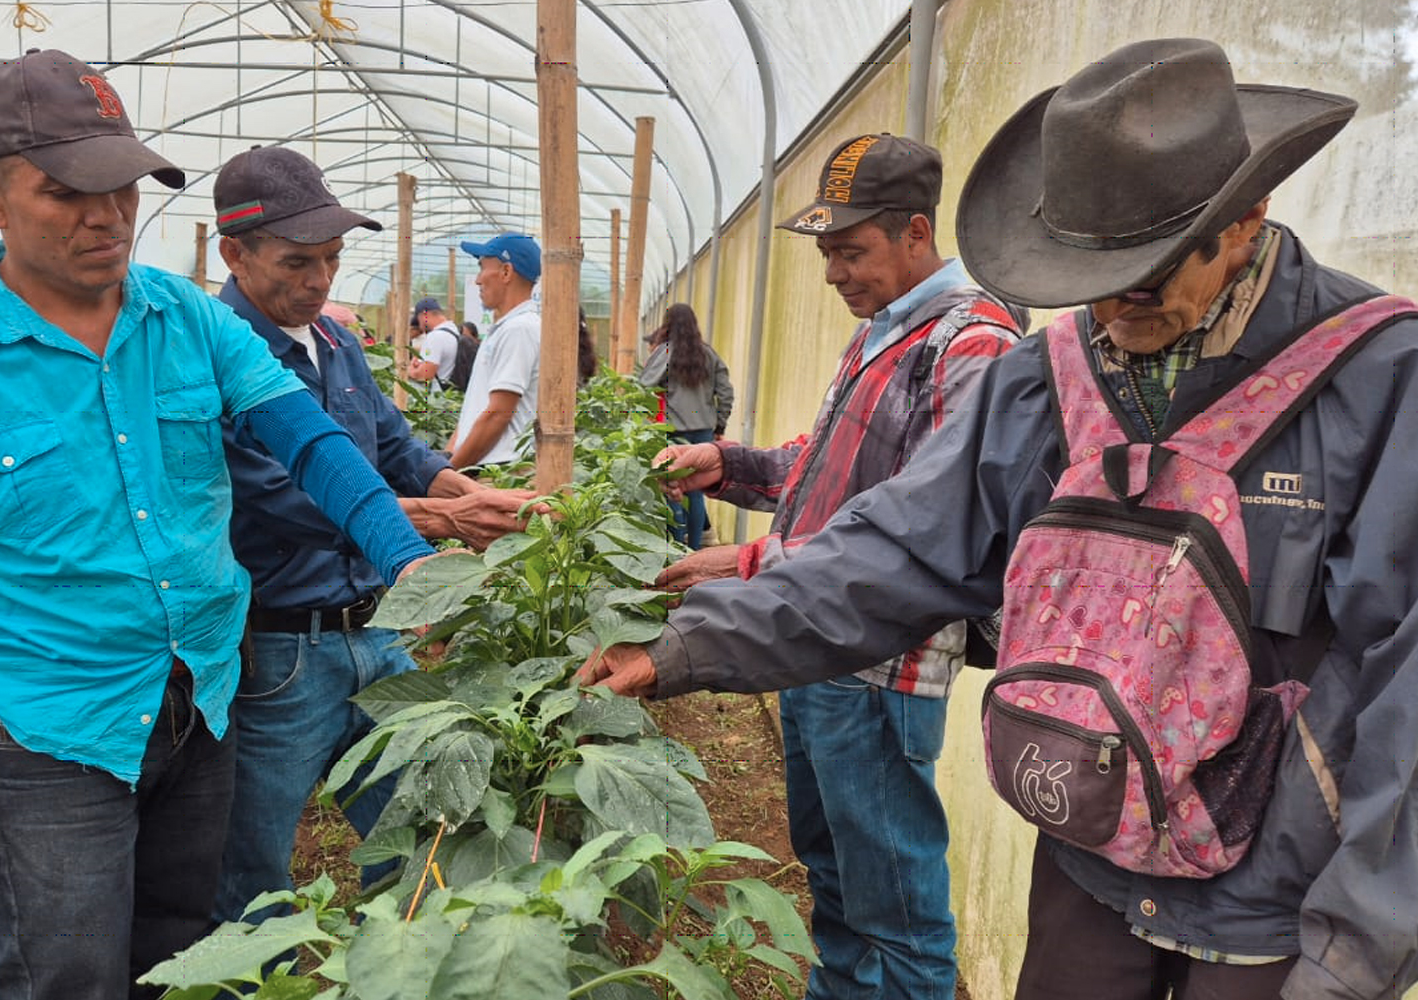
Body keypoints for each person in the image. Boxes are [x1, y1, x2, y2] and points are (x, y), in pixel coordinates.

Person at [582, 39, 1418, 1000]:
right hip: (1090, 847)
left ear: (1246, 216)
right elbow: (901, 543)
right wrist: (688, 646)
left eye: (1144, 275)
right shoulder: (1051, 381)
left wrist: (1355, 951)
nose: (1113, 308)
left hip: (1275, 901)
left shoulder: (1377, 378)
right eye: (1087, 276)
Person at [0, 50, 444, 1000]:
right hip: (52, 736)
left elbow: (314, 443)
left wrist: (412, 559)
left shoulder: (186, 319)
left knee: (181, 957)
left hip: (200, 704)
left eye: (123, 186)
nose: (107, 215)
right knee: (67, 974)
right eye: (65, 191)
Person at [636, 134, 1021, 998]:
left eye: (852, 252)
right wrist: (730, 465)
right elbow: (838, 470)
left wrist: (751, 559)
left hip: (881, 661)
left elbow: (946, 526)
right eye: (827, 255)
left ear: (916, 234)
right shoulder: (886, 330)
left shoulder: (973, 343)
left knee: (899, 913)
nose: (833, 275)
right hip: (819, 645)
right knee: (837, 880)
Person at [209, 145, 535, 926]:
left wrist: (471, 491)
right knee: (253, 868)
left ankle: (398, 966)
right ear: (234, 254)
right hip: (279, 653)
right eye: (298, 262)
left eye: (332, 258)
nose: (320, 280)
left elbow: (393, 449)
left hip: (377, 636)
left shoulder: (337, 341)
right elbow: (281, 499)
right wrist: (444, 523)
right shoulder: (217, 353)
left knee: (415, 834)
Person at [636, 302, 734, 549]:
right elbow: (726, 392)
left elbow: (644, 384)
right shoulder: (709, 354)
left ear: (668, 325)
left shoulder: (666, 352)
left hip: (673, 432)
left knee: (673, 488)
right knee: (696, 491)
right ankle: (695, 548)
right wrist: (720, 424)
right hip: (703, 431)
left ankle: (677, 548)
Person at [447, 233, 542, 469]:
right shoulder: (506, 328)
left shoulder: (520, 329)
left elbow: (498, 414)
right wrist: (444, 463)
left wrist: (451, 472)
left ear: (506, 272)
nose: (478, 280)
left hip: (498, 471)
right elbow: (477, 408)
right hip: (482, 464)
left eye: (482, 268)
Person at [408, 295, 474, 392]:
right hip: (452, 395)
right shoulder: (454, 332)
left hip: (437, 399)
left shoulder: (435, 337)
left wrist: (410, 371)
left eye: (419, 321)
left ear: (424, 315)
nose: (420, 327)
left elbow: (426, 374)